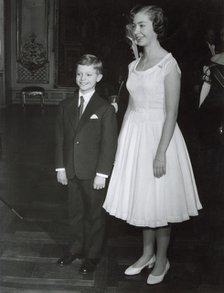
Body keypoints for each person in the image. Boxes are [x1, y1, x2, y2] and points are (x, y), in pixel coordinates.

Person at [103, 5, 202, 285]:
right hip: (135, 135)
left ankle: (162, 260)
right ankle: (146, 254)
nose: (137, 31)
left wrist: (160, 152)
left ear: (156, 27)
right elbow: (131, 107)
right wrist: (121, 144)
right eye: (135, 25)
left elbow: (171, 113)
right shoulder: (133, 65)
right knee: (144, 198)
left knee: (161, 201)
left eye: (143, 25)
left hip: (161, 137)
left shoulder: (169, 65)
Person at [55, 54, 117, 274]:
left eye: (89, 74)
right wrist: (60, 167)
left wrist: (103, 174)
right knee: (75, 212)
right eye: (79, 74)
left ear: (98, 77)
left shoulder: (105, 109)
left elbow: (109, 145)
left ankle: (92, 255)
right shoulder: (65, 105)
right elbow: (60, 138)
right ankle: (75, 248)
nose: (83, 78)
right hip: (71, 170)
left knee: (95, 215)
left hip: (93, 172)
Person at [197, 51, 224, 245]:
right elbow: (205, 89)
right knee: (212, 171)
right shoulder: (214, 62)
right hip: (212, 119)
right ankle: (209, 229)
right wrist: (200, 116)